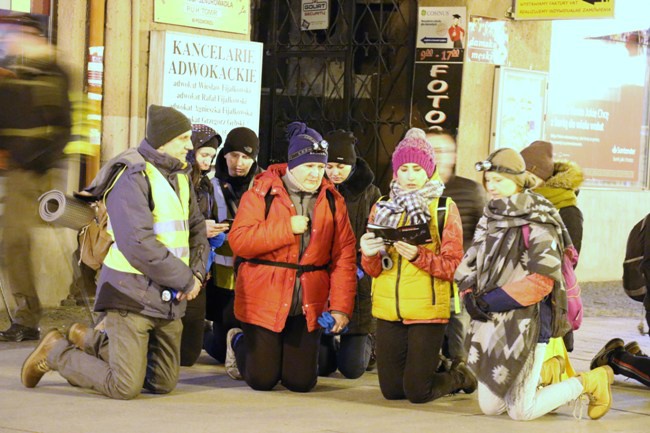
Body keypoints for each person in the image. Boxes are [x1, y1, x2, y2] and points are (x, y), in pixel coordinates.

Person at [20, 104, 209, 399]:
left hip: (168, 295)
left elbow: (197, 229)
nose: (189, 145)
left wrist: (197, 273)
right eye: (184, 138)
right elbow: (137, 244)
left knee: (161, 383)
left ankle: (89, 340)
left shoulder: (180, 176)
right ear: (163, 140)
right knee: (125, 386)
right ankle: (56, 351)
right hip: (130, 294)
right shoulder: (132, 175)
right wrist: (185, 280)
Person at [455, 148, 614, 421]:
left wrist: (489, 301)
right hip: (492, 320)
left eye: (499, 180)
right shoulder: (490, 215)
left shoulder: (539, 218)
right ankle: (542, 374)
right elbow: (472, 260)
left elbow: (542, 281)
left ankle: (590, 382)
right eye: (488, 180)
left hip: (529, 319)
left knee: (522, 411)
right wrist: (469, 292)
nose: (491, 186)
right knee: (491, 407)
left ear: (518, 180)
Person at [225, 121, 357, 392]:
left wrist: (341, 308)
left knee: (300, 382)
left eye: (320, 167)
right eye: (310, 166)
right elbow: (239, 242)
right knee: (263, 380)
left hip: (307, 301)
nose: (316, 173)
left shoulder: (334, 201)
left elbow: (344, 257)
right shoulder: (260, 193)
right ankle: (238, 342)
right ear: (293, 164)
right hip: (264, 297)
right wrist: (286, 229)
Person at [359, 132, 475, 404]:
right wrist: (367, 253)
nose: (410, 176)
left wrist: (419, 256)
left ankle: (459, 376)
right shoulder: (382, 206)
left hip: (427, 311)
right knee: (392, 391)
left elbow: (453, 267)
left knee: (417, 392)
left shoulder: (444, 208)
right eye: (404, 169)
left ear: (429, 170)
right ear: (395, 171)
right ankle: (434, 366)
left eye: (417, 169)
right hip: (390, 309)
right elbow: (374, 270)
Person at [0, 15, 71, 341]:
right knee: (14, 243)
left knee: (15, 241)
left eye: (20, 34)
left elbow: (63, 127)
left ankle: (28, 318)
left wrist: (41, 162)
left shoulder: (54, 74)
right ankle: (28, 314)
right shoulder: (13, 72)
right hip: (15, 168)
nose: (13, 39)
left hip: (33, 171)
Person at [318, 129, 381, 378]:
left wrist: (359, 264)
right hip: (323, 277)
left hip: (357, 278)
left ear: (353, 165)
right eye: (329, 166)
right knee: (321, 367)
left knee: (352, 369)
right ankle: (325, 344)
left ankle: (369, 343)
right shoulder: (318, 188)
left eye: (341, 166)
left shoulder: (370, 193)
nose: (334, 172)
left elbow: (376, 235)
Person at [425, 129, 486, 368]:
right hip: (425, 274)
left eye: (442, 151)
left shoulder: (470, 190)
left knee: (457, 326)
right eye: (430, 151)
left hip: (459, 276)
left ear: (454, 155)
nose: (437, 157)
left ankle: (458, 369)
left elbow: (483, 234)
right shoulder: (414, 191)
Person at [202, 126, 263, 363]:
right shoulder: (209, 184)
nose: (239, 163)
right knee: (219, 350)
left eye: (246, 157)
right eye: (234, 155)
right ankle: (204, 334)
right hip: (221, 276)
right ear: (224, 154)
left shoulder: (265, 184)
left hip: (254, 273)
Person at [520, 140, 584, 352]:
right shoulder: (519, 203)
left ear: (544, 177)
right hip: (521, 293)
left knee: (549, 365)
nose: (525, 184)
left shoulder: (567, 209)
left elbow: (569, 260)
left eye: (531, 178)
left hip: (551, 298)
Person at [179, 124, 226, 366]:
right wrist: (199, 229)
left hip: (199, 267)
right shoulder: (176, 181)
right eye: (203, 154)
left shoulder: (207, 186)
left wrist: (216, 234)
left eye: (211, 156)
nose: (207, 160)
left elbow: (212, 221)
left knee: (188, 354)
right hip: (174, 267)